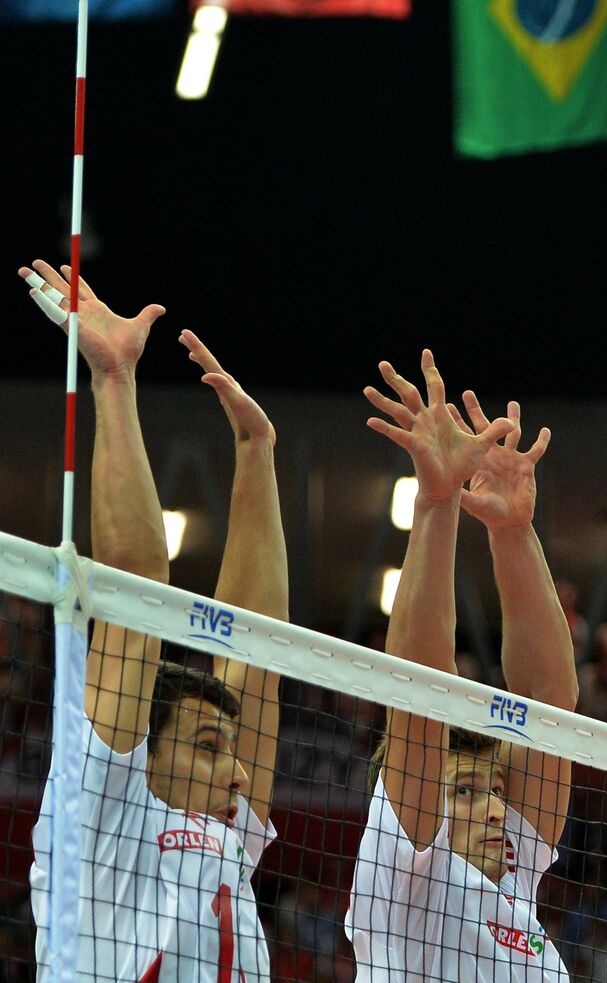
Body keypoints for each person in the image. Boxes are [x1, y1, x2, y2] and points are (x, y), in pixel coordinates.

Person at [21, 260, 288, 980]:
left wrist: (256, 454)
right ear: (143, 752)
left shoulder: (228, 839)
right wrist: (113, 379)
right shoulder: (100, 812)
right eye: (209, 745)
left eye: (225, 747)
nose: (238, 771)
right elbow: (138, 581)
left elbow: (256, 649)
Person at [347, 351, 578, 981]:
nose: (495, 810)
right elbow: (421, 696)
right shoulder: (408, 875)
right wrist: (437, 503)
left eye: (495, 791)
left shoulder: (518, 882)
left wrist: (513, 533)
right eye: (468, 792)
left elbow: (550, 701)